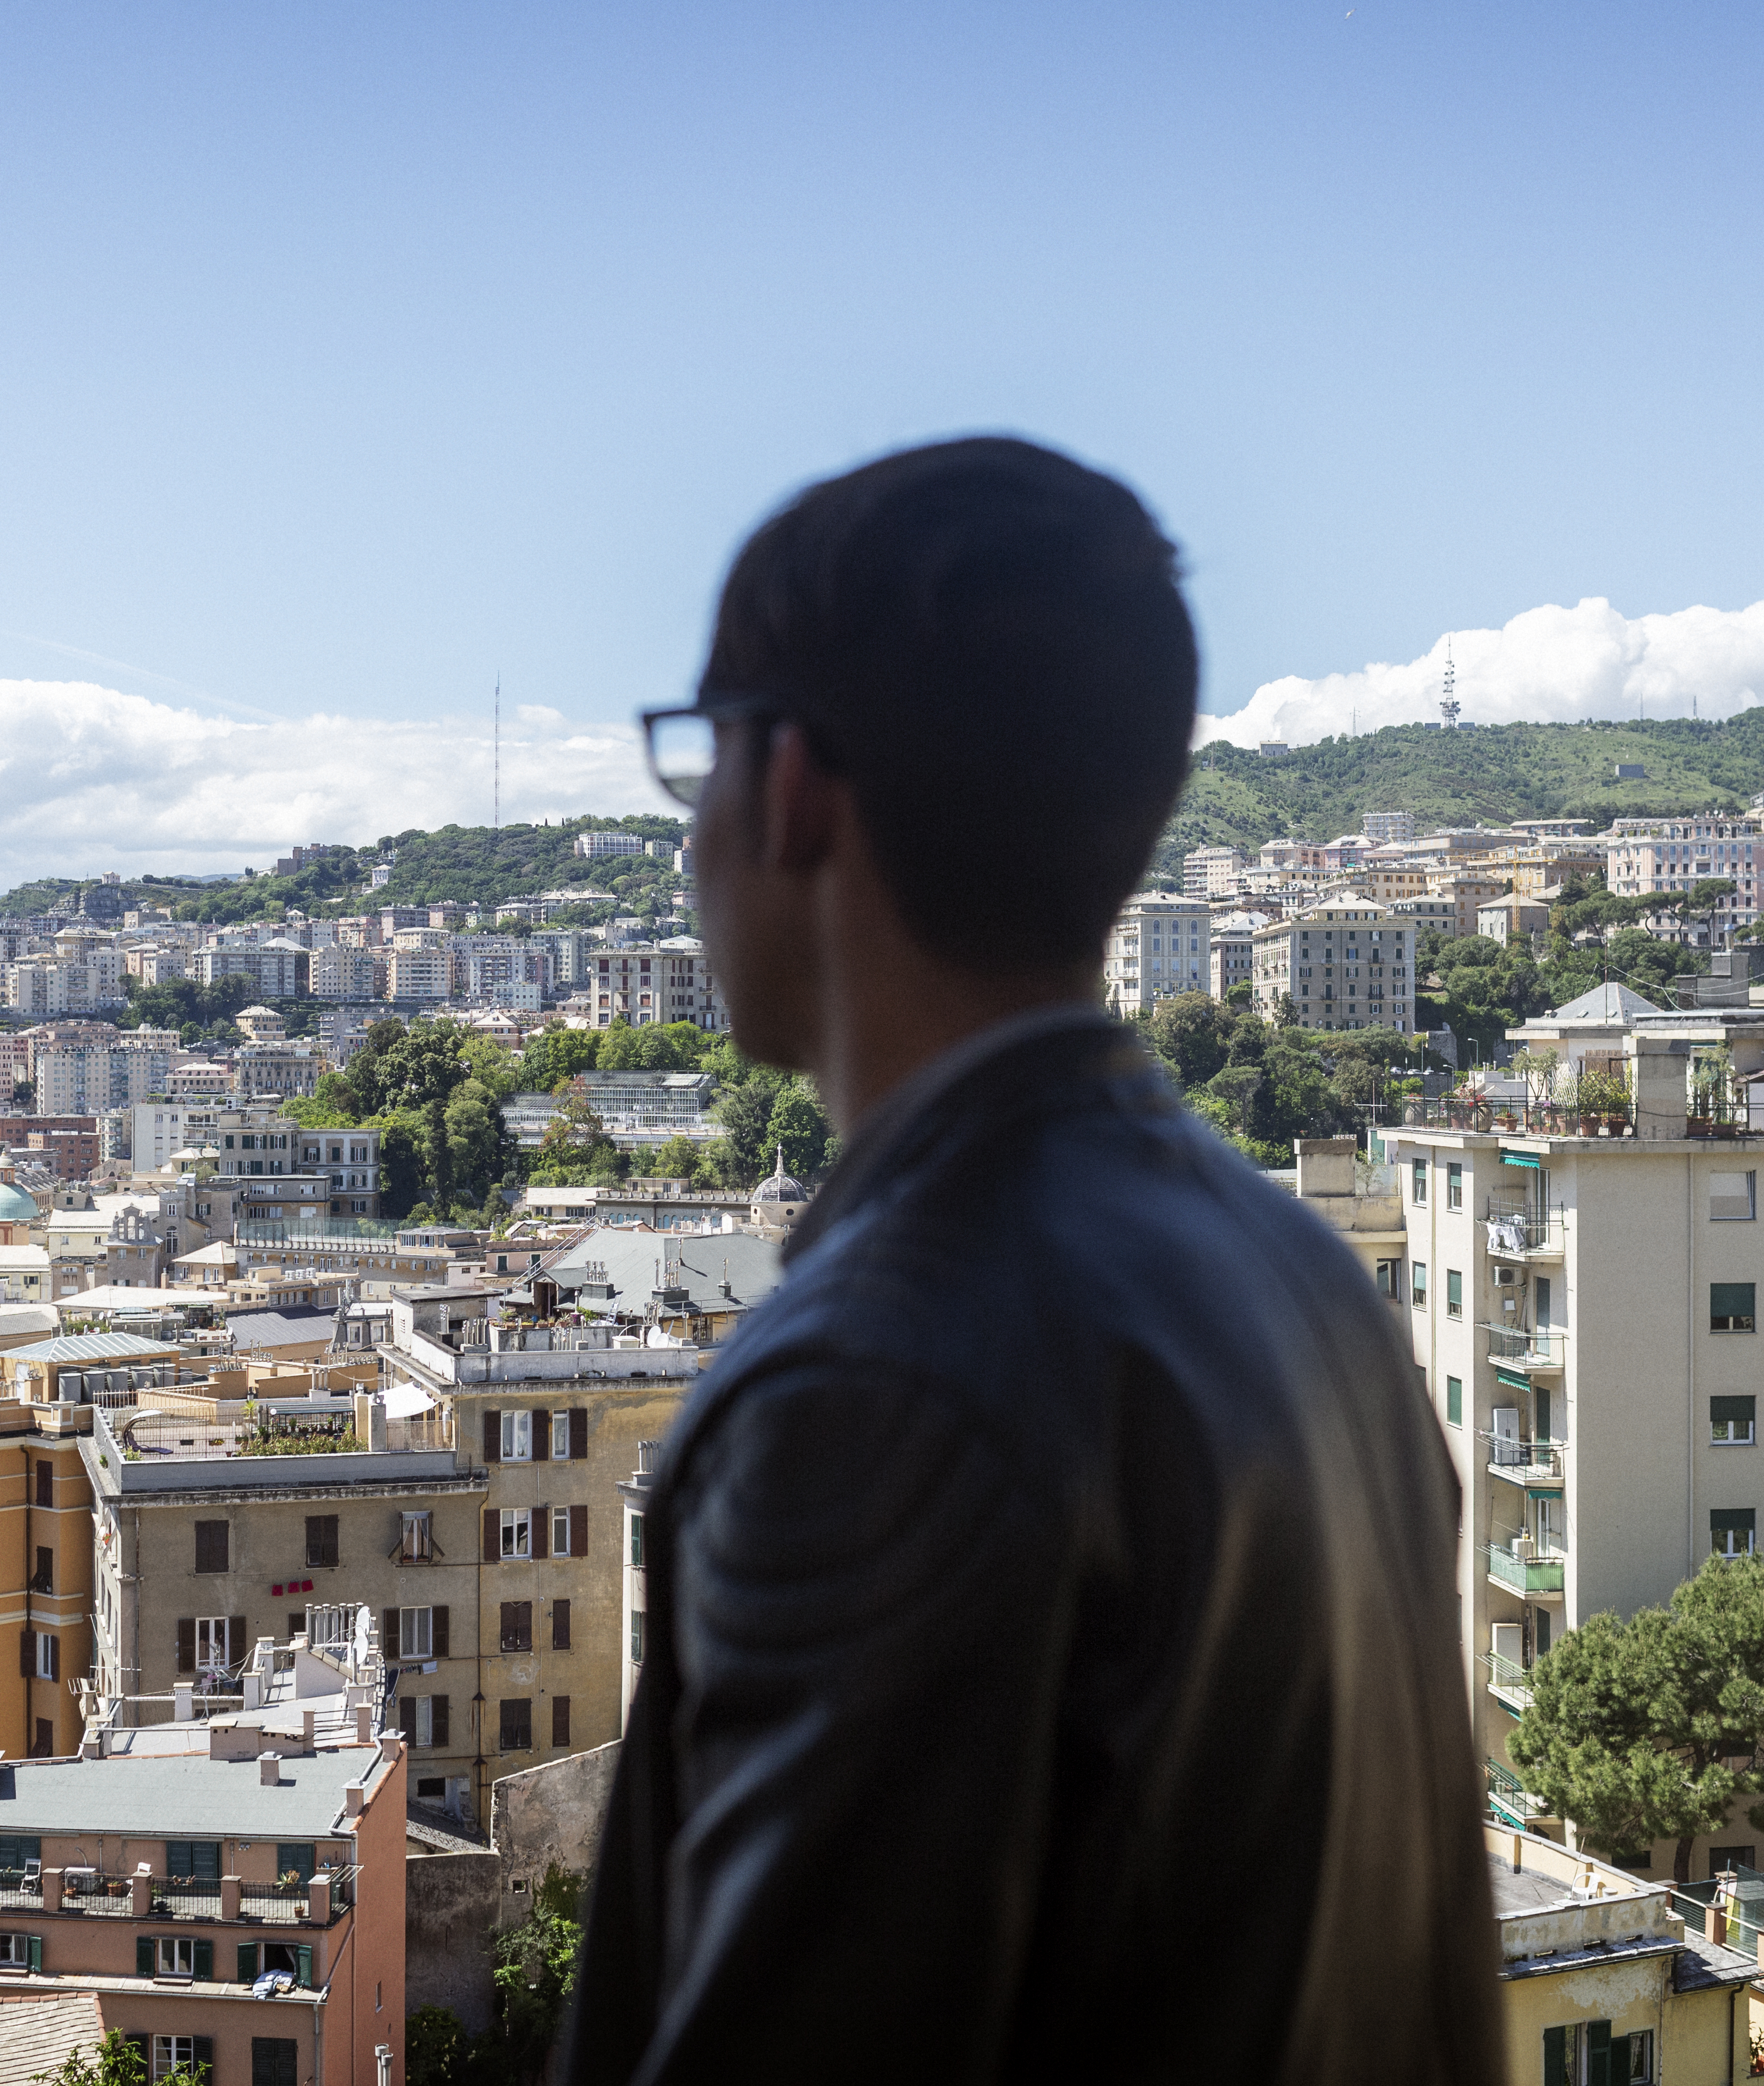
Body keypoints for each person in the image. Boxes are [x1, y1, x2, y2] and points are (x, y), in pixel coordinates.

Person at [563, 437, 1499, 2083]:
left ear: (790, 788)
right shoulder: (1313, 1287)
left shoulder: (881, 1385)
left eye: (698, 758)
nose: (692, 830)